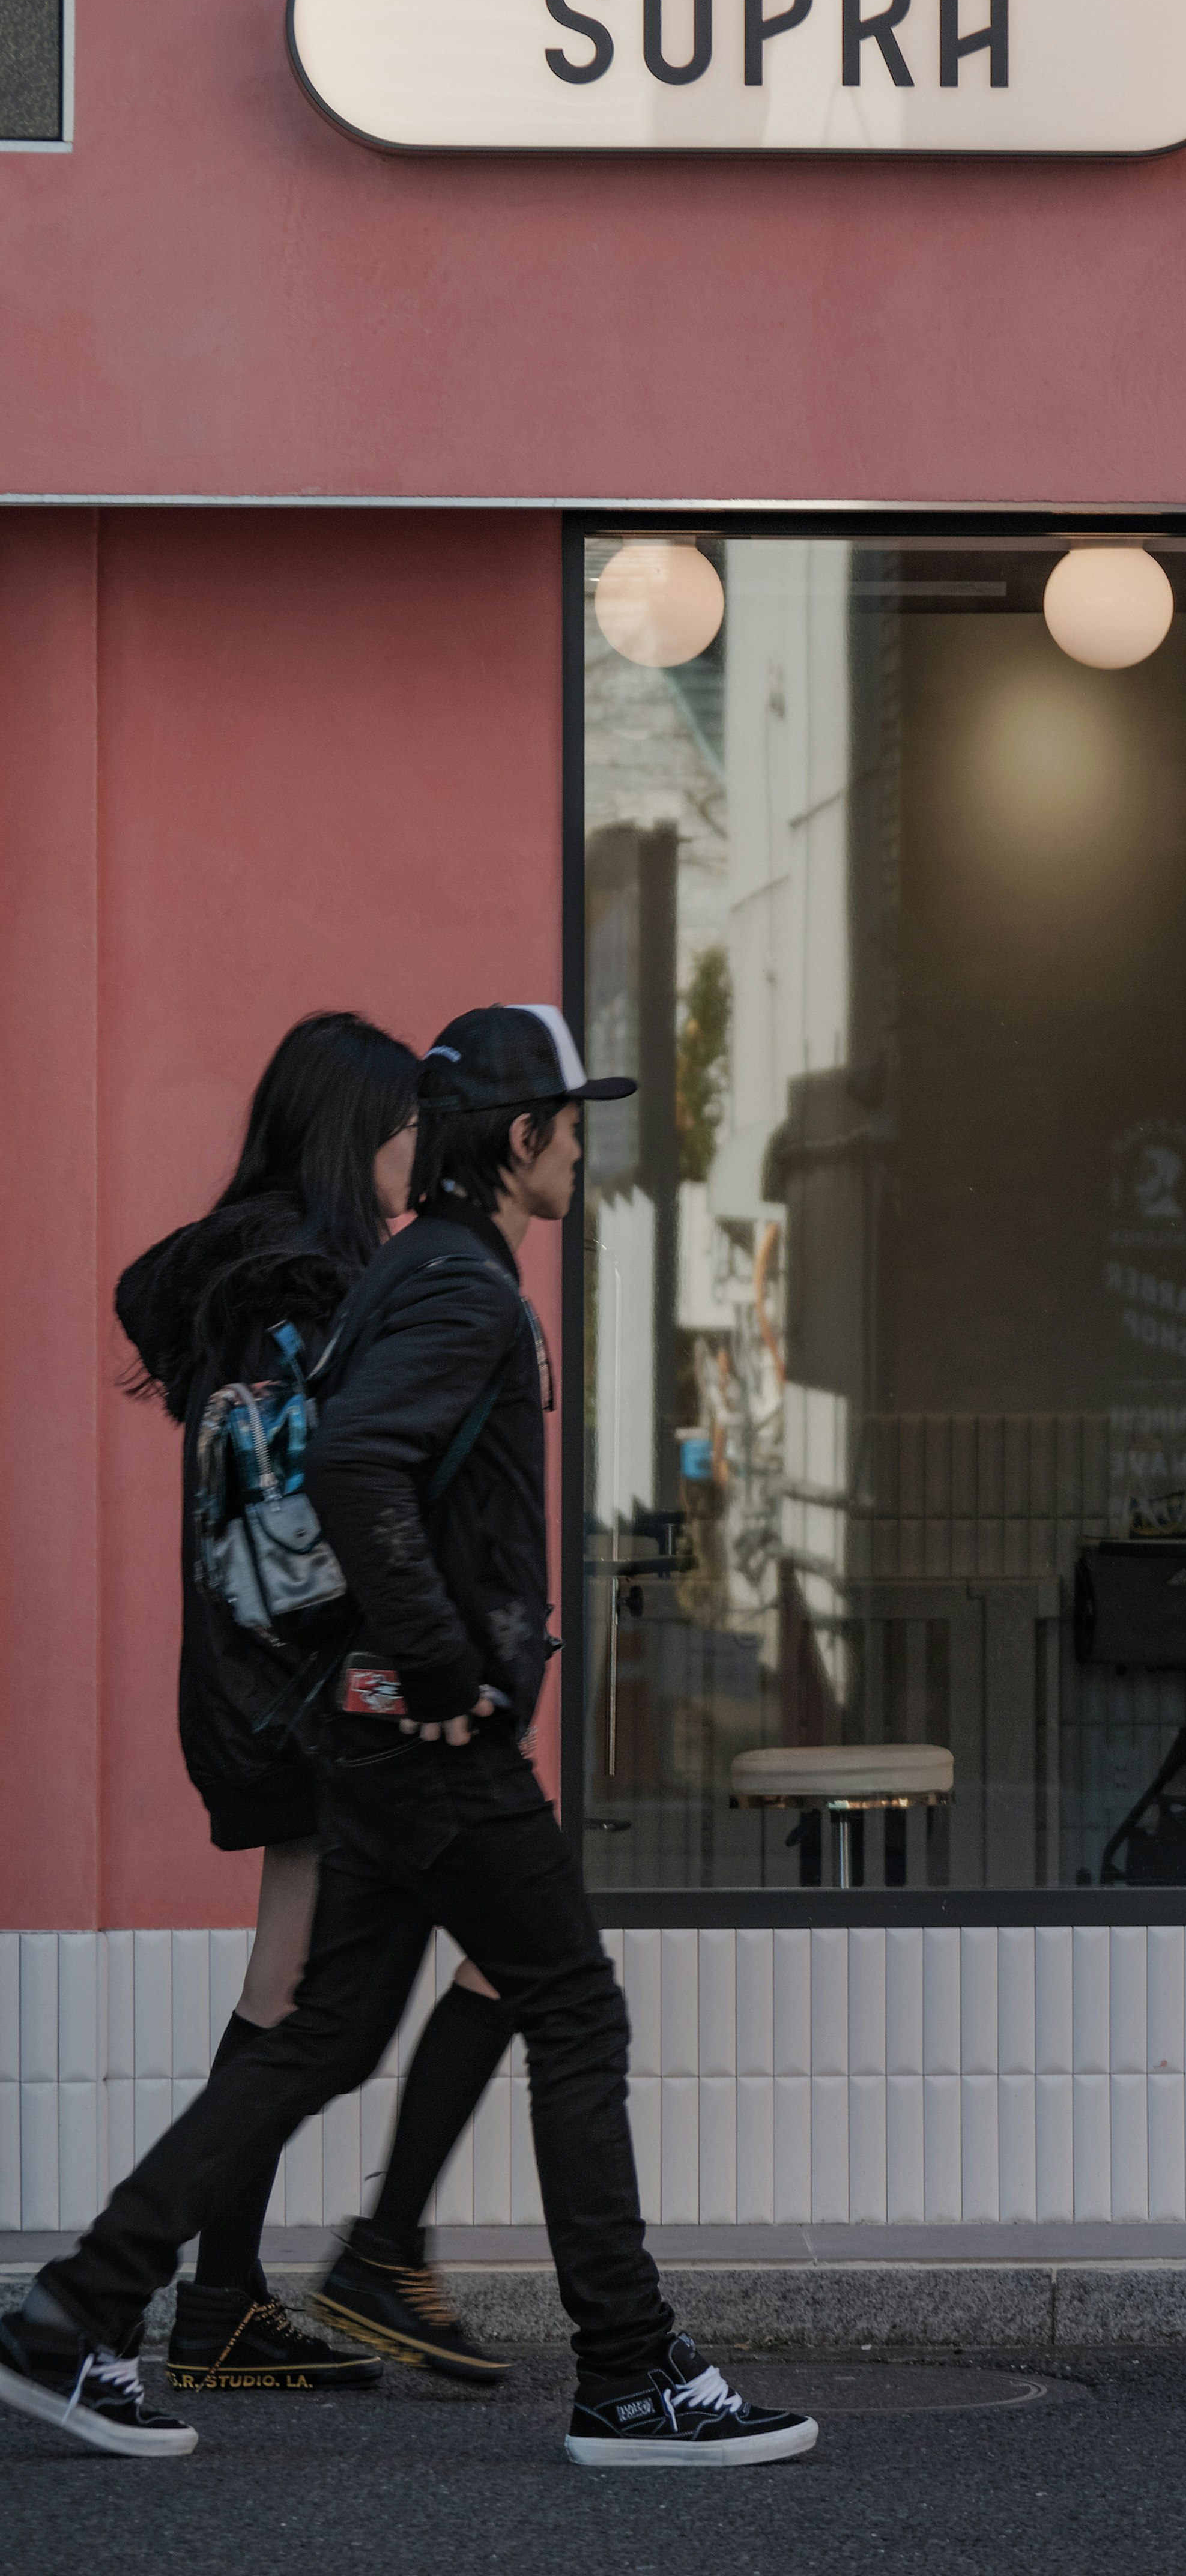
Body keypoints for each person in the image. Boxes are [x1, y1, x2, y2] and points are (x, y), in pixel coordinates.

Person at [0, 1005, 819, 2471]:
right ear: (523, 1140)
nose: (587, 1148)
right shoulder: (455, 1287)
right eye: (577, 1122)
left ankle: (75, 2309)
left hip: (372, 1732)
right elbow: (367, 1461)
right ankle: (630, 2373)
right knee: (573, 2006)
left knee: (320, 2030)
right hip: (429, 1731)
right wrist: (446, 1661)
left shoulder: (420, 1270)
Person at [113, 1011, 516, 2395]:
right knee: (520, 1951)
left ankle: (212, 2301)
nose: (431, 1153)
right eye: (412, 1127)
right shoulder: (299, 1292)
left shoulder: (279, 1281)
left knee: (290, 1991)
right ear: (361, 1135)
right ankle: (361, 2256)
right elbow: (331, 1517)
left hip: (273, 1690)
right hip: (323, 1692)